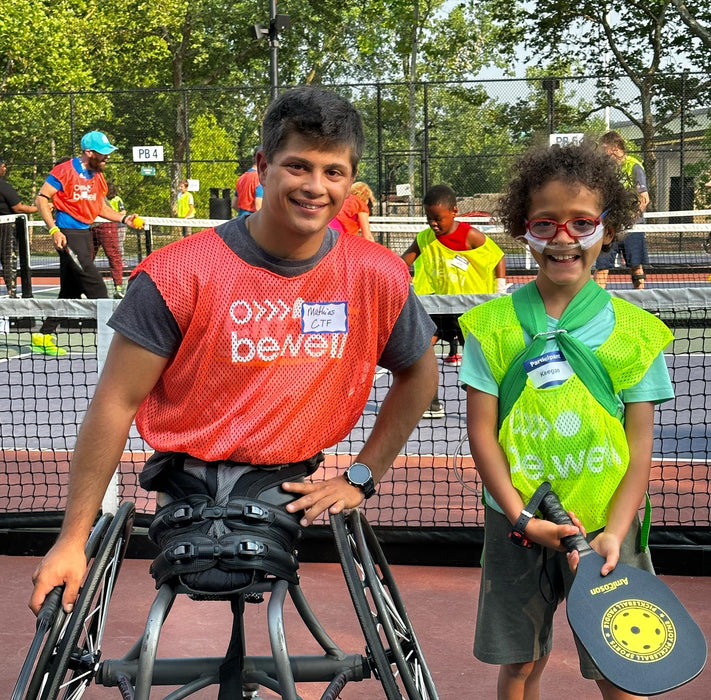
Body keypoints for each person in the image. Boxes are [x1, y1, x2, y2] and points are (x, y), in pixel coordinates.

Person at [29, 87, 438, 696]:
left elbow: (420, 377)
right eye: (298, 165)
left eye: (334, 172)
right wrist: (70, 540)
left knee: (273, 615)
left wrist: (360, 476)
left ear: (351, 184)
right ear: (263, 165)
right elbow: (114, 402)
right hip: (185, 483)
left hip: (290, 485)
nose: (315, 186)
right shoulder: (178, 271)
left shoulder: (376, 273)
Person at [460, 142, 674, 700]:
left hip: (608, 529)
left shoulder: (636, 332)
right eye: (545, 223)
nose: (562, 238)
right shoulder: (492, 325)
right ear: (522, 228)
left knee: (619, 669)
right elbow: (481, 432)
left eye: (581, 223)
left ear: (609, 229)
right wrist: (521, 517)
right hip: (517, 525)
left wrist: (617, 533)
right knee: (522, 666)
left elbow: (640, 444)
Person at [401, 183, 506, 418]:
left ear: (455, 211)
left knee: (479, 357)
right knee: (421, 351)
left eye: (438, 218)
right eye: (429, 218)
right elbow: (403, 261)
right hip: (438, 307)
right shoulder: (425, 238)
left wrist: (499, 288)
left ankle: (491, 403)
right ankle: (433, 403)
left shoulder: (471, 236)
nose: (433, 224)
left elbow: (498, 257)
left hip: (469, 310)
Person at [33, 132, 140, 355]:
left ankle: (42, 336)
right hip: (67, 235)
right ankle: (117, 343)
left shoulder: (98, 176)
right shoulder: (64, 171)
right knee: (97, 287)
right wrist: (53, 229)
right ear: (88, 153)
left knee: (70, 292)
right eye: (103, 154)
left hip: (84, 234)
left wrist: (123, 218)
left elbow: (99, 207)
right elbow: (42, 198)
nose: (107, 158)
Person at [593, 131, 650, 289]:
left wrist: (628, 220)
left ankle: (642, 303)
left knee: (636, 266)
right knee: (602, 267)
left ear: (615, 147)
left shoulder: (634, 166)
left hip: (632, 228)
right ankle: (595, 308)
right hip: (609, 227)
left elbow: (644, 198)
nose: (602, 152)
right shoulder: (606, 169)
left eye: (604, 148)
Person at [0, 155, 38, 297]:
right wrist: (40, 208)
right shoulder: (4, 187)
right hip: (6, 229)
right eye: (2, 166)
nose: (5, 168)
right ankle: (12, 293)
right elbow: (19, 208)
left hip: (5, 227)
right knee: (8, 261)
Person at [91, 182, 126, 298]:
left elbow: (105, 210)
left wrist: (123, 219)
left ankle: (118, 289)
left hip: (106, 225)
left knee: (113, 256)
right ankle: (82, 288)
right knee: (85, 258)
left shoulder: (95, 189)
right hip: (89, 227)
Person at [232, 146, 263, 217]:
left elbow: (234, 204)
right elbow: (258, 206)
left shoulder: (241, 178)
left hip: (241, 219)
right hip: (253, 223)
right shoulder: (260, 178)